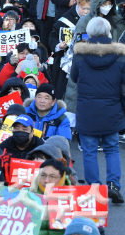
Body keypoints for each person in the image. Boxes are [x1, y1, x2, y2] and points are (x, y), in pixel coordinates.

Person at [70, 17, 125, 203]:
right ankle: (113, 185)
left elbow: (74, 78)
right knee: (112, 149)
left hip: (87, 109)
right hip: (112, 109)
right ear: (109, 33)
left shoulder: (80, 55)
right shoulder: (120, 56)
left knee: (89, 151)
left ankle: (94, 189)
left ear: (90, 33)